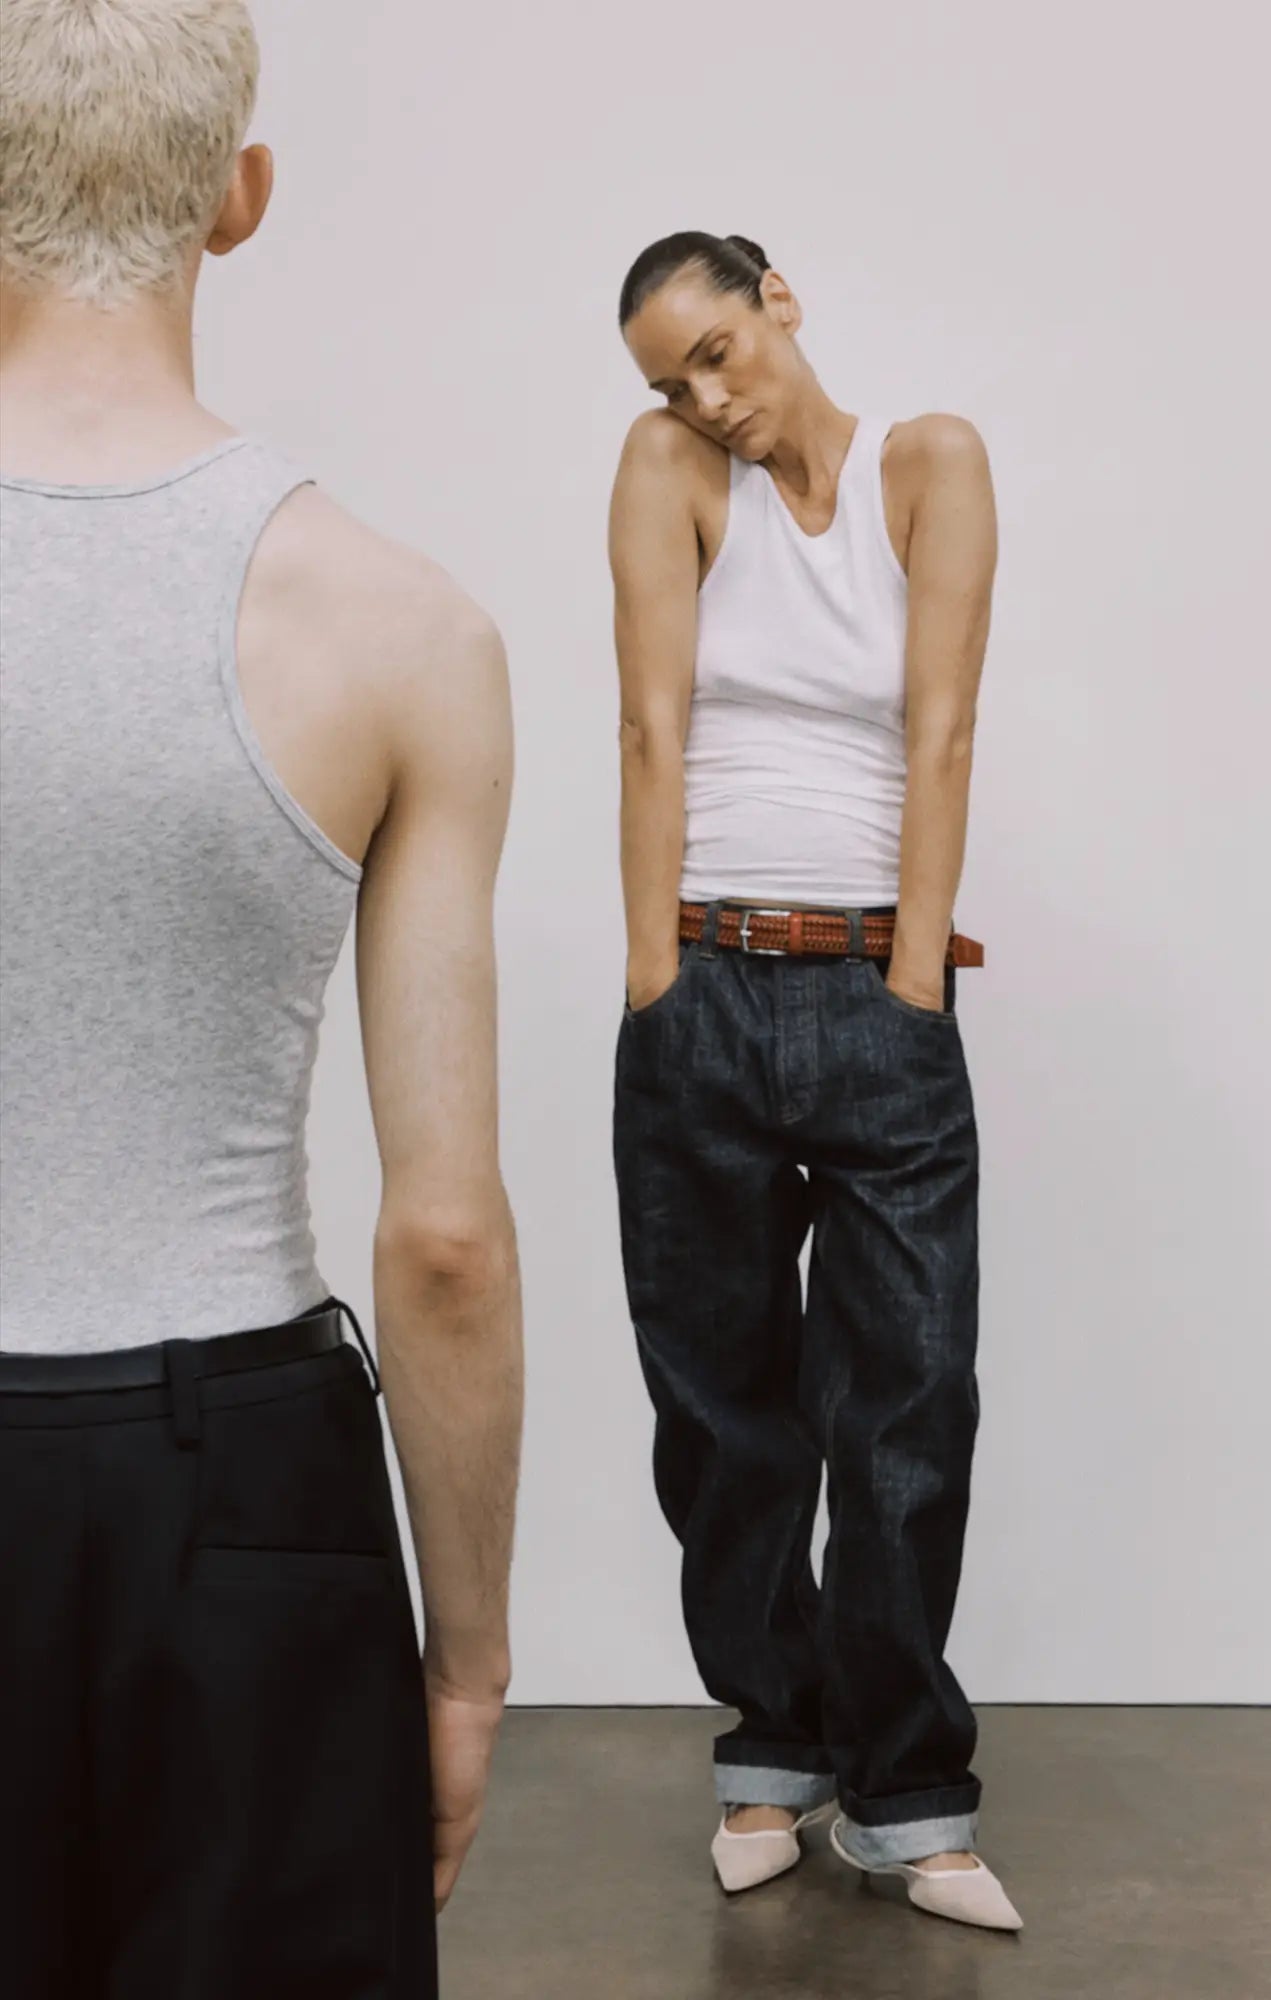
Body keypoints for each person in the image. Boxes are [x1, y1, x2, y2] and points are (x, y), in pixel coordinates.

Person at [0, 4, 522, 1993]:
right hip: (240, 1493)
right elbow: (448, 1239)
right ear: (240, 198)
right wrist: (465, 1663)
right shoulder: (402, 625)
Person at [609, 231, 1020, 1932]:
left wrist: (914, 973)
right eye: (671, 378)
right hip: (700, 980)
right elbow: (647, 724)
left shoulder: (931, 463)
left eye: (719, 348)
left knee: (908, 1401)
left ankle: (908, 1790)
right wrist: (653, 986)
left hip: (873, 993)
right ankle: (772, 1748)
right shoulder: (668, 472)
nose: (707, 395)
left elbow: (940, 728)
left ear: (780, 299)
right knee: (723, 1409)